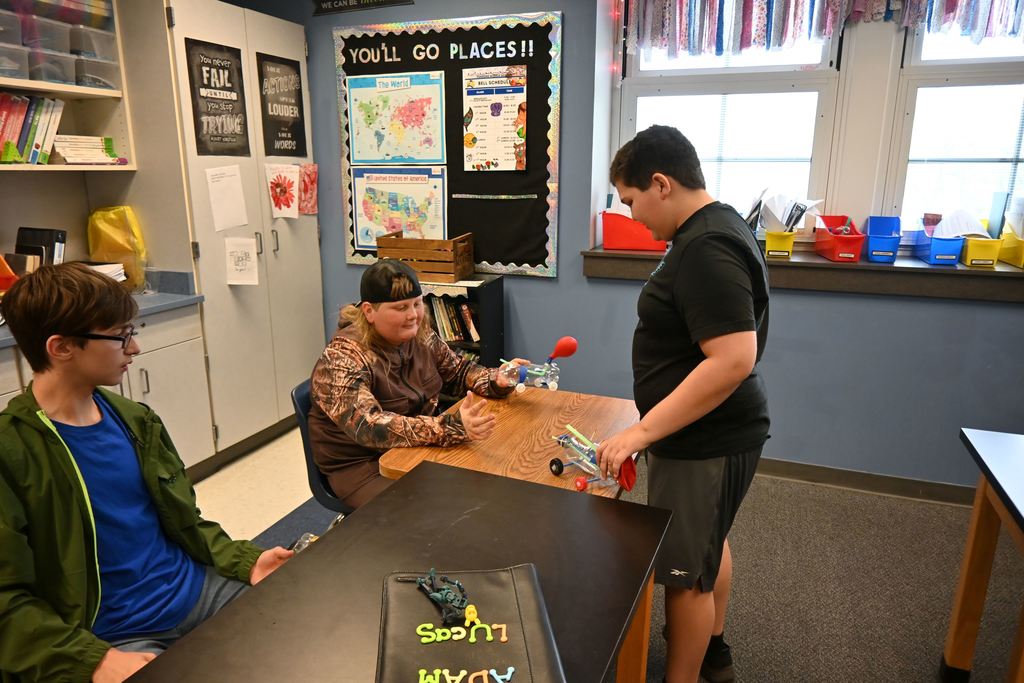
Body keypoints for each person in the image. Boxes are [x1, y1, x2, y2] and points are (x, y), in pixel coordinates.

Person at [0, 263, 293, 683]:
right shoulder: (12, 454)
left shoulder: (136, 420)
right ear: (61, 347)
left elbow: (186, 522)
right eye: (120, 336)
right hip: (116, 636)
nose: (134, 347)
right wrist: (92, 660)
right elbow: (7, 602)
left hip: (196, 591)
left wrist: (246, 560)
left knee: (305, 629)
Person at [596, 125, 770, 683]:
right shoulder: (718, 227)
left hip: (705, 440)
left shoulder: (705, 246)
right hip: (710, 434)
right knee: (707, 544)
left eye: (631, 201)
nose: (633, 217)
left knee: (683, 573)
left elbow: (733, 358)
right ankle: (712, 651)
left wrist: (641, 431)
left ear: (661, 184)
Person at [308, 259, 527, 510]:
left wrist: (496, 379)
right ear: (369, 311)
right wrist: (450, 427)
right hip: (363, 467)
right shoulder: (342, 357)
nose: (413, 315)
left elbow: (458, 372)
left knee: (487, 485)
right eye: (401, 307)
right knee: (443, 511)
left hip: (416, 447)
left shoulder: (420, 334)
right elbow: (369, 427)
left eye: (416, 303)